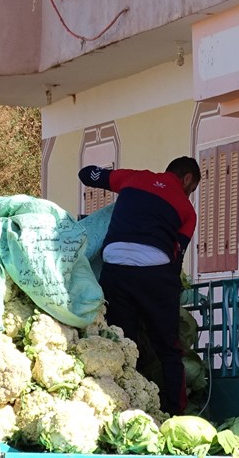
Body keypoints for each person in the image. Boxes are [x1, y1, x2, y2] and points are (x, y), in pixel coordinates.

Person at [78, 157, 202, 415]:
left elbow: (86, 174)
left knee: (123, 341)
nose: (189, 195)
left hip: (116, 270)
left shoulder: (133, 177)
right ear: (187, 179)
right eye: (192, 190)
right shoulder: (187, 212)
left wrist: (102, 175)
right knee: (169, 349)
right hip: (156, 275)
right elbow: (176, 258)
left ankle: (121, 408)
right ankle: (175, 413)